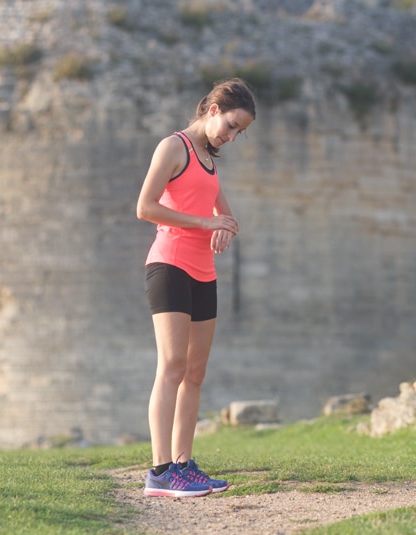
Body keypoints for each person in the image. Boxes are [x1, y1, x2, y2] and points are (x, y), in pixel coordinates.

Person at [136, 78, 256, 497]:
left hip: (204, 271)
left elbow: (226, 216)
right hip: (169, 266)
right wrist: (207, 223)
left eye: (240, 131)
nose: (233, 135)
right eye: (231, 125)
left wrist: (225, 229)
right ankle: (161, 472)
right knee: (171, 367)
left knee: (195, 372)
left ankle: (185, 464)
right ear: (213, 110)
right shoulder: (174, 148)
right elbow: (145, 208)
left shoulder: (208, 159)